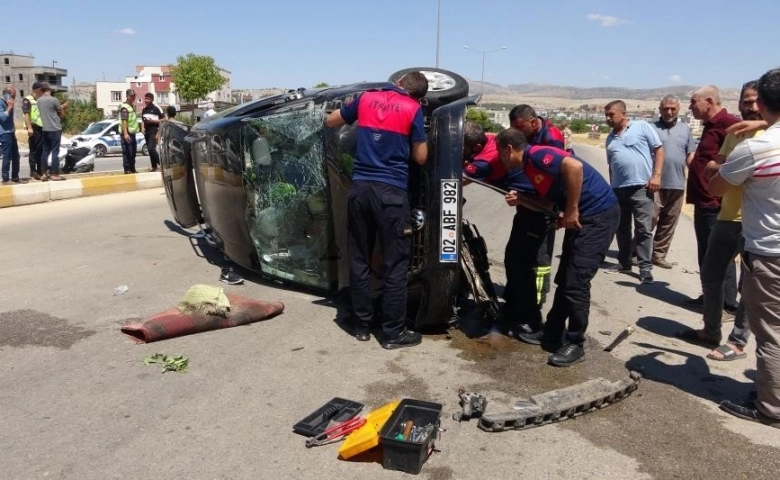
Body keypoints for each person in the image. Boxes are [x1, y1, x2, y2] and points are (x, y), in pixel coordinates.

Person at [497, 128, 619, 367]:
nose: (500, 160)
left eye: (500, 154)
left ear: (509, 149)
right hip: (584, 217)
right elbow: (547, 202)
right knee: (565, 278)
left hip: (598, 216)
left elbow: (574, 167)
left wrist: (572, 209)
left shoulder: (537, 155)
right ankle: (552, 332)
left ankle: (576, 342)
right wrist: (521, 199)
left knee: (576, 282)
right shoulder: (529, 169)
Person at [324, 72, 428, 349]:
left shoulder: (366, 98)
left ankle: (361, 326)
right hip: (391, 193)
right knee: (396, 264)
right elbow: (420, 157)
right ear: (418, 95)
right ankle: (393, 334)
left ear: (399, 83)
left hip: (360, 190)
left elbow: (331, 121)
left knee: (359, 258)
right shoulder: (413, 108)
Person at [711, 67, 780, 428]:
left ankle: (772, 409)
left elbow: (717, 188)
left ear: (763, 105)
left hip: (770, 253)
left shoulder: (758, 148)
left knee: (770, 335)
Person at [678, 81, 762, 355]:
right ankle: (711, 330)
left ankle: (737, 342)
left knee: (747, 286)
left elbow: (721, 167)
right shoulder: (732, 132)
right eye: (746, 101)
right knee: (711, 274)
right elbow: (715, 168)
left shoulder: (772, 133)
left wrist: (724, 167)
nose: (751, 106)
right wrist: (723, 168)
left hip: (755, 222)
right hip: (726, 214)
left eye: (756, 101)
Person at [462, 121, 550, 337]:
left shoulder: (484, 161)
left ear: (474, 147)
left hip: (537, 208)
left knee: (524, 264)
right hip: (529, 205)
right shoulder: (491, 138)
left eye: (462, 147)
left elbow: (456, 179)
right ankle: (514, 308)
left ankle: (532, 320)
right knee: (513, 258)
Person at [685, 85, 739, 309]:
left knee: (718, 256)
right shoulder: (710, 126)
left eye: (693, 101)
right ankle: (711, 297)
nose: (690, 106)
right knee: (707, 254)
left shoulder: (729, 124)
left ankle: (725, 303)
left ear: (709, 101)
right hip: (703, 200)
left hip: (714, 202)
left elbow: (737, 159)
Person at [506, 104, 562, 314]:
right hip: (527, 200)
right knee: (515, 253)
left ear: (532, 122)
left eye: (520, 128)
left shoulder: (552, 138)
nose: (517, 133)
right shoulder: (525, 134)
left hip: (545, 203)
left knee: (539, 259)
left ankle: (536, 304)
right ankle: (515, 295)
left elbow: (558, 177)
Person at [604, 100, 665, 284]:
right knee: (621, 228)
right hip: (618, 189)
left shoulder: (641, 127)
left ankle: (645, 267)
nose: (608, 118)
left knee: (643, 229)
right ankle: (624, 263)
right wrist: (611, 186)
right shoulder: (610, 138)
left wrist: (656, 175)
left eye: (611, 114)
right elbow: (612, 165)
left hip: (641, 187)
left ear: (623, 113)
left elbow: (659, 150)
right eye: (606, 114)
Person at [651, 95, 696, 269]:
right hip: (655, 183)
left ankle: (659, 255)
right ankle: (637, 252)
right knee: (650, 219)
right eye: (665, 108)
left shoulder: (685, 129)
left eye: (673, 109)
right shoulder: (651, 128)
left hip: (677, 183)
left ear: (679, 109)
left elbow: (690, 155)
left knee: (669, 222)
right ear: (659, 109)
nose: (669, 112)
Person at [36, 83, 67, 181]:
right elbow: (61, 115)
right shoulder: (54, 100)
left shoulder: (39, 101)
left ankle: (43, 174)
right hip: (55, 129)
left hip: (45, 129)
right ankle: (54, 173)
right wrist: (63, 108)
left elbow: (49, 111)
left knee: (45, 152)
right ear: (49, 89)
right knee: (55, 152)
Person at [0, 85, 26, 184]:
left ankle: (15, 177)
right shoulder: (1, 103)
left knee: (16, 155)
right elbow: (2, 118)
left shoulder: (8, 103)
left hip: (10, 132)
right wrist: (9, 107)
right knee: (7, 156)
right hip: (4, 133)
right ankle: (5, 179)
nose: (14, 98)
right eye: (13, 96)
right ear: (6, 95)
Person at [22, 82, 46, 180]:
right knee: (34, 150)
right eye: (42, 90)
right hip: (33, 128)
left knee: (41, 150)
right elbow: (26, 114)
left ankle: (40, 170)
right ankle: (33, 171)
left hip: (41, 128)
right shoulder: (27, 99)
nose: (43, 92)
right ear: (37, 90)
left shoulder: (40, 100)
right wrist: (29, 127)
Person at [119, 89, 140, 174]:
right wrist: (125, 133)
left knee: (133, 152)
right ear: (127, 96)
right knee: (127, 151)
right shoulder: (124, 107)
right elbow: (124, 121)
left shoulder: (133, 106)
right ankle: (127, 169)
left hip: (132, 133)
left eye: (134, 96)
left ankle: (132, 168)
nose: (133, 97)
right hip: (126, 133)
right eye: (131, 96)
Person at [141, 93, 163, 172]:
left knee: (151, 148)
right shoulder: (144, 109)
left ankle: (161, 164)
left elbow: (164, 120)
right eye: (145, 98)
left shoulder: (157, 109)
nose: (146, 100)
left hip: (154, 130)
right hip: (147, 132)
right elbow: (143, 121)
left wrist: (153, 121)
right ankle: (154, 166)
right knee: (149, 150)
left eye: (148, 99)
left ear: (152, 100)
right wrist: (142, 128)